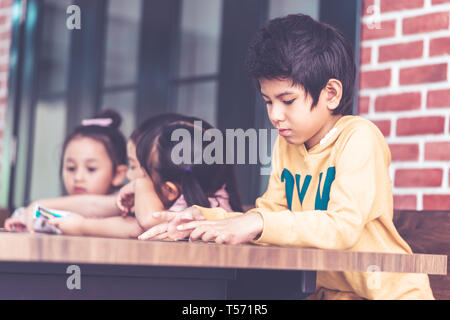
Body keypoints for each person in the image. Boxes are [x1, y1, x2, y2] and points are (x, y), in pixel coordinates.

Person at [140, 14, 435, 300]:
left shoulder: (359, 137)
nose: (275, 115)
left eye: (287, 100)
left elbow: (342, 229)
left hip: (391, 293)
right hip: (333, 292)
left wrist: (257, 223)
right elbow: (270, 221)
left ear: (330, 93)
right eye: (268, 101)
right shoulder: (288, 144)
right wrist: (206, 218)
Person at [48, 114, 242, 239]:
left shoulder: (192, 212)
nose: (134, 178)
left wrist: (81, 226)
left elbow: (145, 224)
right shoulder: (209, 196)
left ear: (169, 189)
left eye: (143, 173)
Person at [4, 110, 128, 232]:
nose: (78, 177)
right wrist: (21, 222)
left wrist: (39, 205)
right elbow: (27, 216)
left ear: (118, 175)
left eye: (91, 169)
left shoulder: (128, 208)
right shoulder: (54, 215)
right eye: (71, 168)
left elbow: (93, 205)